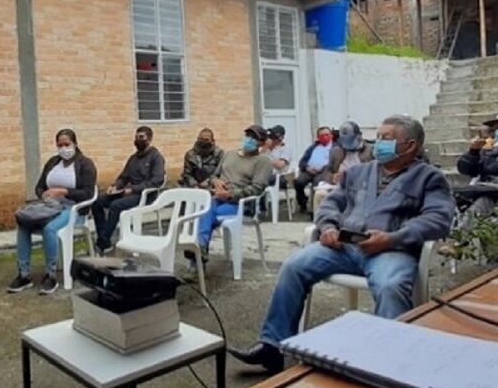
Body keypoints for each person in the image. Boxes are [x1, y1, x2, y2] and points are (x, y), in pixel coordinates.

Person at [230, 116, 454, 373]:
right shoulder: (359, 172)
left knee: (391, 286)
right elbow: (331, 204)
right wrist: (327, 228)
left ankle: (391, 364)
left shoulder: (429, 177)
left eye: (386, 138)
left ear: (410, 145)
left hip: (391, 250)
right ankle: (272, 346)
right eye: (378, 137)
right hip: (345, 246)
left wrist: (393, 238)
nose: (378, 143)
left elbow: (438, 219)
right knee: (294, 266)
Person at [9, 129, 97, 295]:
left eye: (67, 144)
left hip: (74, 210)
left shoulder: (86, 164)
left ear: (75, 144)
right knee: (24, 224)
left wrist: (63, 191)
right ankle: (24, 274)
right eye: (60, 145)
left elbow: (88, 194)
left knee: (49, 228)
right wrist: (43, 194)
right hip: (50, 208)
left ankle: (50, 275)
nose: (63, 148)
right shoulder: (53, 162)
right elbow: (39, 187)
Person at [189, 125, 274, 264]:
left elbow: (257, 189)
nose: (249, 139)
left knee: (204, 214)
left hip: (240, 205)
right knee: (207, 210)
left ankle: (199, 250)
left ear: (262, 143)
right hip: (216, 198)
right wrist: (215, 181)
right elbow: (214, 176)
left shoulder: (263, 161)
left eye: (254, 138)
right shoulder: (229, 154)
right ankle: (200, 251)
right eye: (248, 135)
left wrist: (229, 194)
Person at [92, 126, 165, 255]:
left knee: (115, 206)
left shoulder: (156, 157)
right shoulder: (133, 158)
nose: (138, 140)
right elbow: (124, 177)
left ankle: (102, 243)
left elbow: (157, 181)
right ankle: (105, 241)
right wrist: (115, 186)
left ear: (149, 139)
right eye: (136, 137)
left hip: (146, 195)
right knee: (97, 202)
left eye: (141, 137)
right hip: (127, 193)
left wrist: (133, 189)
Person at [311, 121, 373, 213]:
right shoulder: (337, 151)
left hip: (362, 187)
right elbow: (327, 170)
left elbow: (376, 172)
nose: (347, 143)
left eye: (350, 140)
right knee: (320, 194)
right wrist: (332, 177)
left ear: (359, 136)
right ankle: (321, 220)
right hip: (340, 186)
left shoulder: (370, 151)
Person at [295, 126, 341, 213]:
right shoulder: (313, 147)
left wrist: (322, 169)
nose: (324, 137)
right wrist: (307, 168)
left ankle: (313, 209)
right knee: (298, 182)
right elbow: (302, 161)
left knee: (316, 184)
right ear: (318, 137)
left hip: (324, 172)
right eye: (322, 136)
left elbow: (335, 163)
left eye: (327, 135)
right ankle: (303, 203)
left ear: (331, 135)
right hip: (309, 171)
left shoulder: (336, 148)